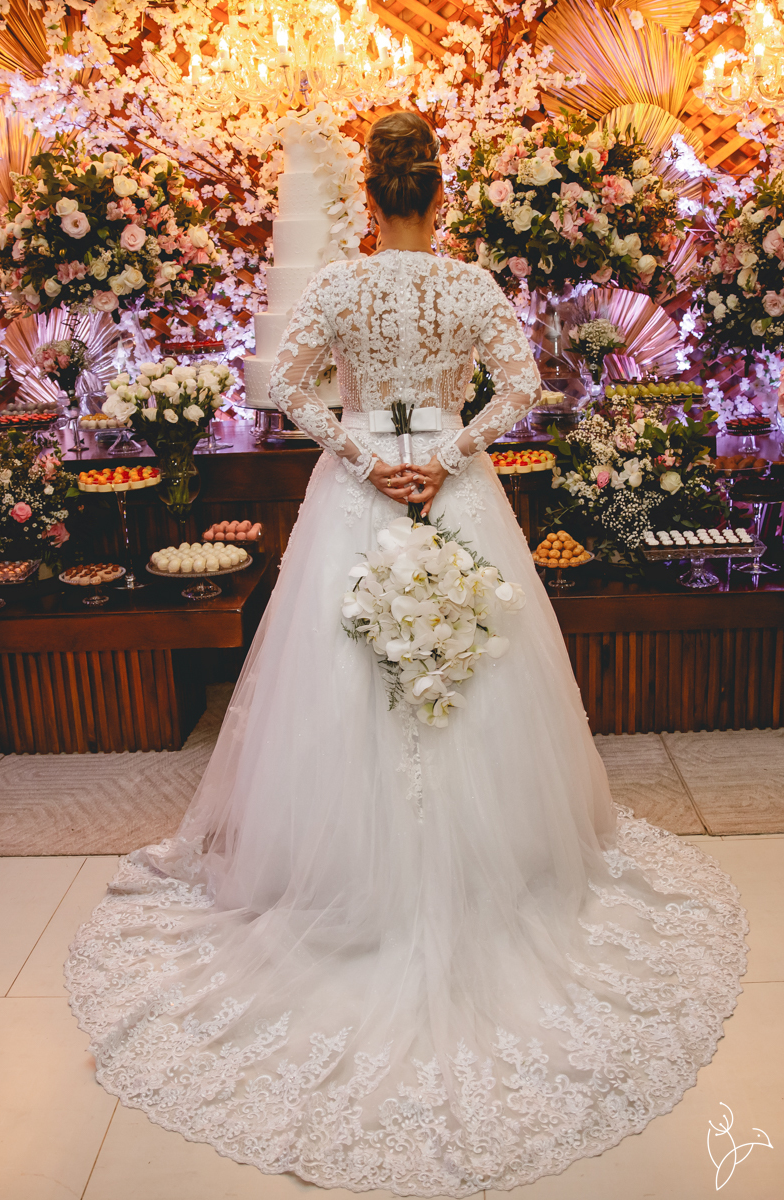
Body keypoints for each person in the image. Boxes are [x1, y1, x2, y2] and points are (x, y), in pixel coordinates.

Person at [65, 113, 747, 1196]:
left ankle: (332, 879)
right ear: (439, 191)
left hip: (360, 484)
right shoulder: (471, 286)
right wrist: (451, 448)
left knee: (338, 676)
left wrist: (358, 451)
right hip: (450, 477)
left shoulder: (337, 286)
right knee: (479, 664)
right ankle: (506, 871)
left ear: (370, 197)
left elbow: (286, 389)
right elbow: (519, 390)